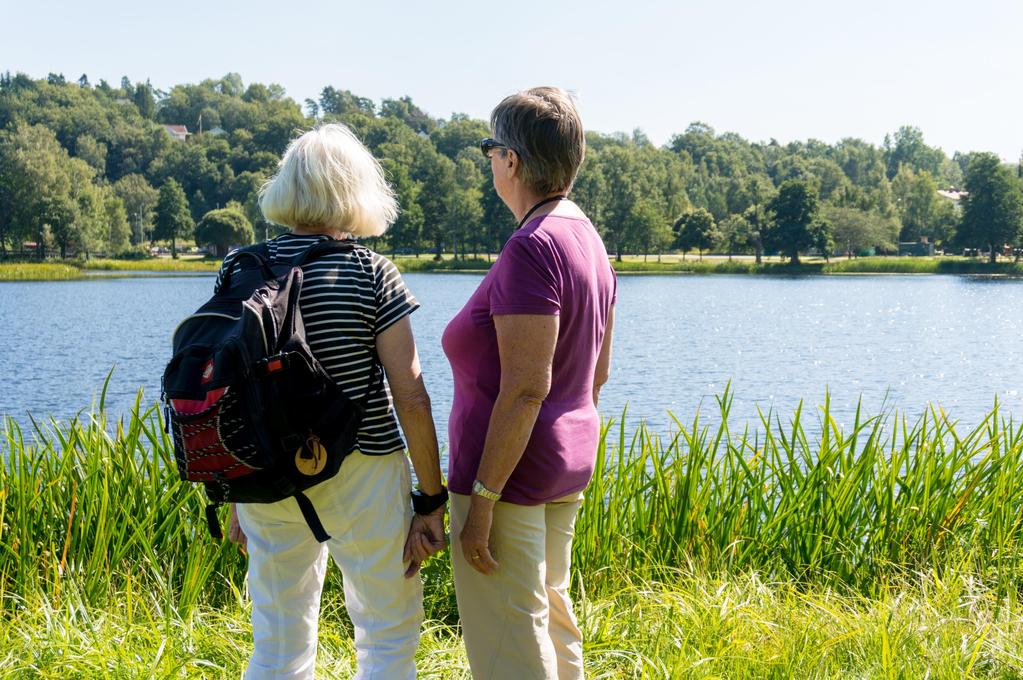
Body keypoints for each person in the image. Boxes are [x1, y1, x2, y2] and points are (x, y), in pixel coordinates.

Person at [221, 123, 448, 679]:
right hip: (365, 470)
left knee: (277, 638)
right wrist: (431, 497)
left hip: (267, 473)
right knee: (387, 635)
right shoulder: (372, 274)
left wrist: (234, 492)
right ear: (357, 192)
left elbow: (226, 394)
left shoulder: (240, 270)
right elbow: (411, 396)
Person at [442, 87, 616, 679]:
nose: (490, 160)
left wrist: (483, 500)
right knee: (551, 617)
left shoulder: (531, 247)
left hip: (510, 475)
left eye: (490, 149)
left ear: (511, 160)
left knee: (509, 641)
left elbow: (524, 389)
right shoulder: (587, 238)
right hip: (565, 459)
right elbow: (598, 372)